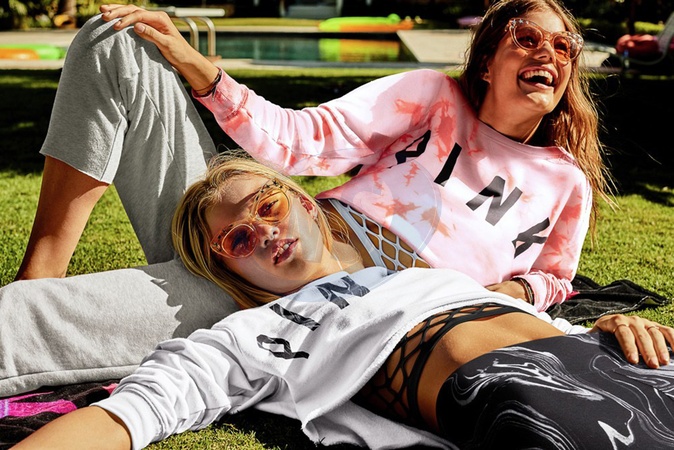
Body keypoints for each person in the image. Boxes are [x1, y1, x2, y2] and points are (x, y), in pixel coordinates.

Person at [1, 0, 611, 396]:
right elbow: (302, 142)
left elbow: (556, 280)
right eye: (528, 38)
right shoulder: (433, 98)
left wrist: (516, 292)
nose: (548, 54)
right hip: (263, 223)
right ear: (488, 60)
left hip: (321, 302)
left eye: (563, 47)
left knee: (22, 325)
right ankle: (41, 269)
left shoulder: (565, 184)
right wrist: (196, 66)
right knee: (116, 39)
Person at [13, 155, 674, 450]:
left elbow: (542, 320)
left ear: (305, 203)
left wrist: (613, 324)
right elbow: (131, 415)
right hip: (521, 402)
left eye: (267, 206)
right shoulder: (258, 333)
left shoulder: (425, 273)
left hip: (623, 365)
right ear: (228, 266)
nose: (262, 232)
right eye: (237, 238)